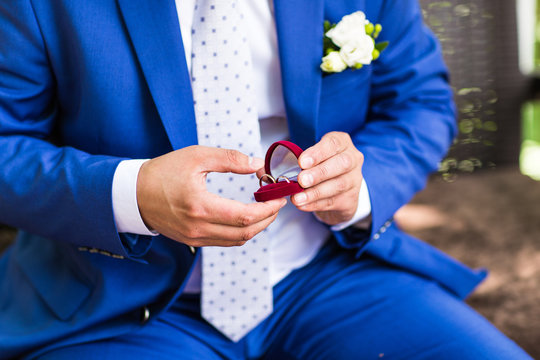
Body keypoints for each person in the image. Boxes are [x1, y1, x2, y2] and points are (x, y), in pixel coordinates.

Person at [0, 0, 532, 359]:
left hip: (330, 272)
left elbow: (421, 103)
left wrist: (359, 187)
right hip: (118, 302)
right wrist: (131, 195)